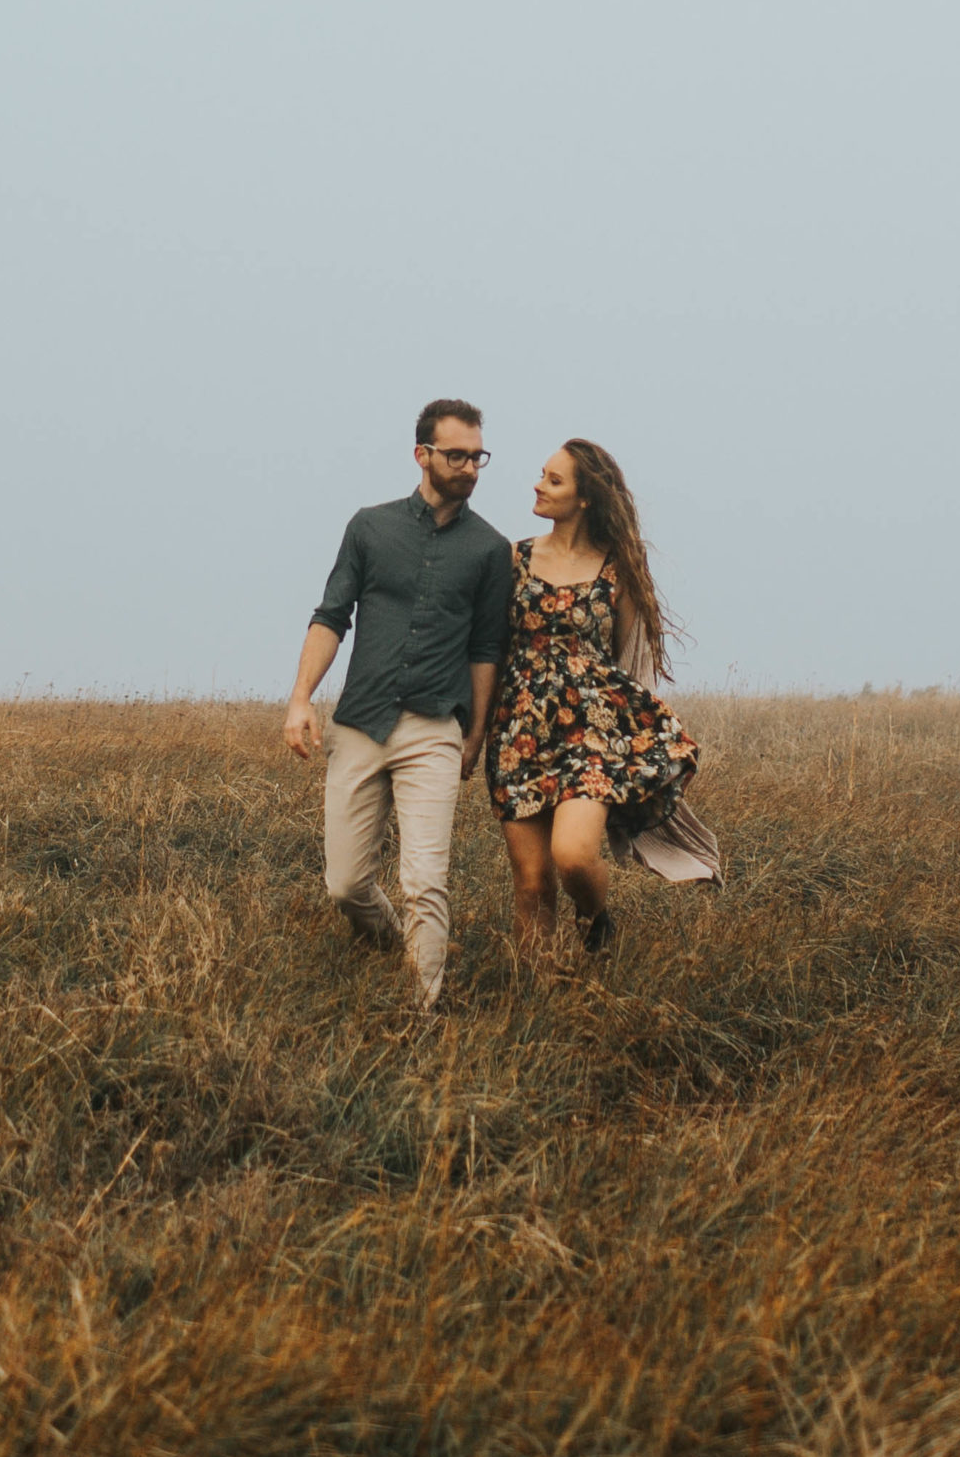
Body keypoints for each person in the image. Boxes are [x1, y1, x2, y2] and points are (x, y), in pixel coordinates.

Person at [284, 400, 513, 1007]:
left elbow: (487, 649)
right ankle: (396, 952)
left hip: (435, 727)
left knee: (425, 882)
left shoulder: (491, 551)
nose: (469, 467)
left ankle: (421, 1011)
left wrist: (476, 734)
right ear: (423, 455)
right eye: (457, 455)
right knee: (346, 884)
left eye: (477, 456)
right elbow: (331, 616)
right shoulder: (369, 527)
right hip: (360, 722)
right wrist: (301, 698)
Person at [487, 439, 720, 954]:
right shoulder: (514, 560)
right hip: (518, 732)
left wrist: (633, 743)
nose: (538, 485)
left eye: (553, 479)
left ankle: (596, 920)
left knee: (572, 856)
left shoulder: (618, 570)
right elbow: (491, 651)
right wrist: (475, 729)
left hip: (590, 734)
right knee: (532, 885)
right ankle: (538, 1000)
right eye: (541, 475)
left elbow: (630, 664)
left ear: (585, 497)